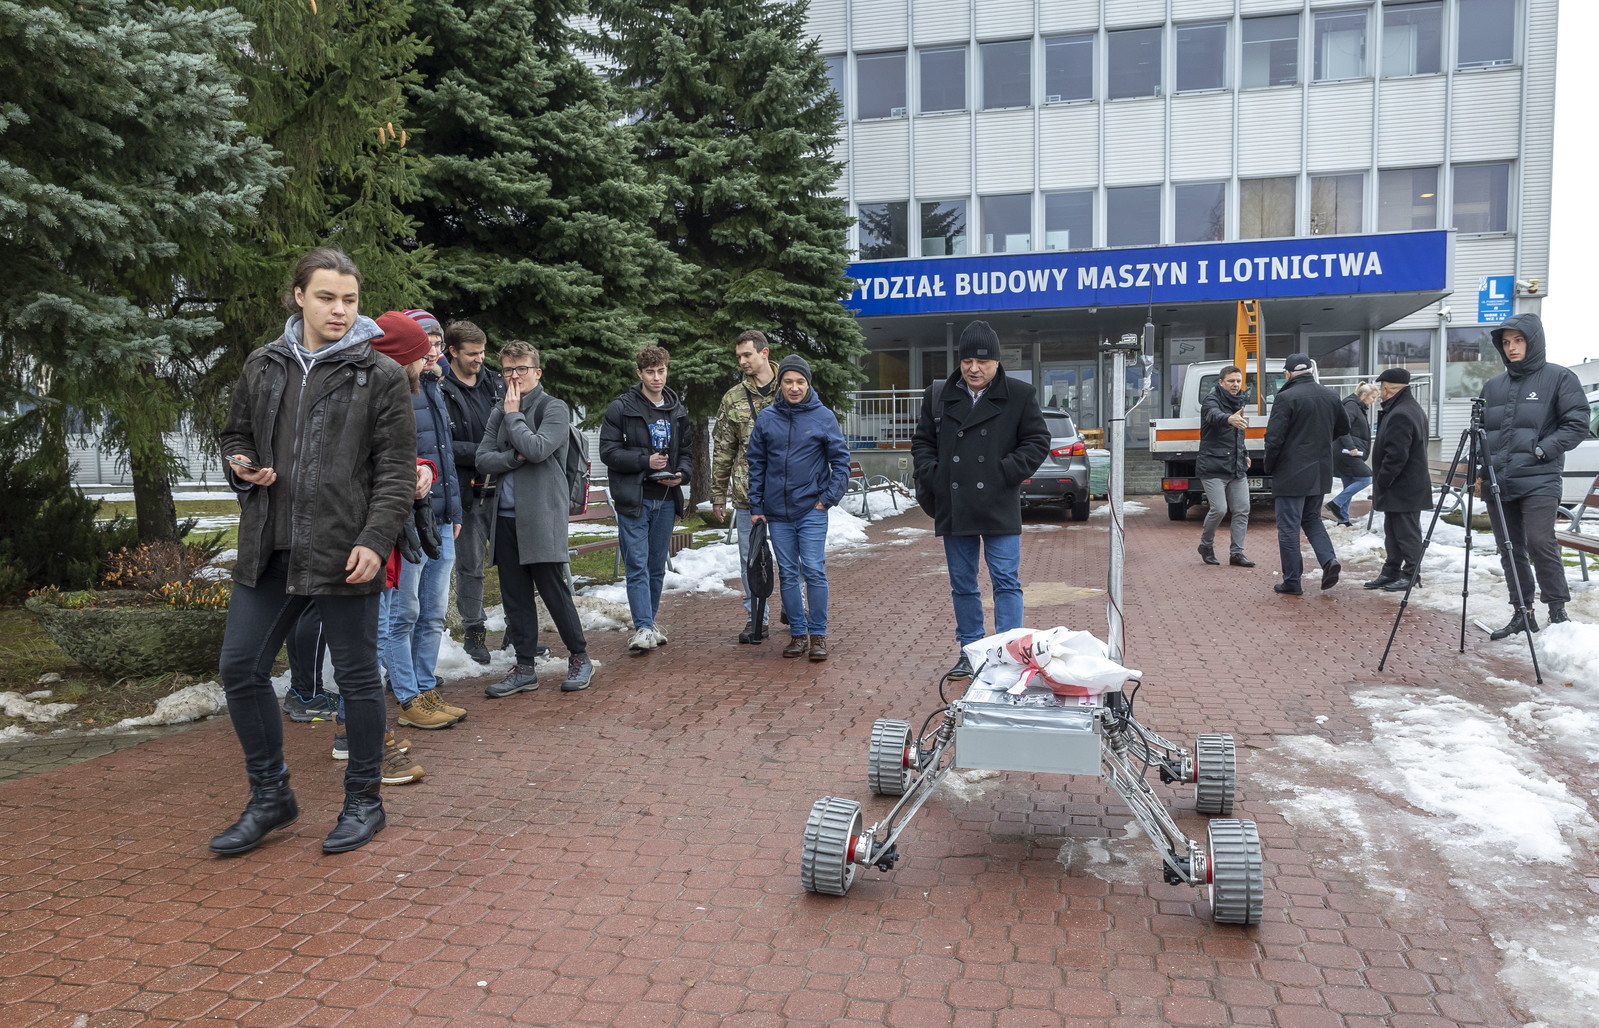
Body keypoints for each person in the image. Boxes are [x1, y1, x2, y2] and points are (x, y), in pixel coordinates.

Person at [211, 247, 416, 856]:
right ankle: (270, 796)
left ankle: (364, 801)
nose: (339, 310)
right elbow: (236, 433)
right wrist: (242, 463)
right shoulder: (264, 363)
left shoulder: (379, 374)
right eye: (326, 297)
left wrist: (376, 540)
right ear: (298, 296)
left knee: (355, 678)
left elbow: (396, 470)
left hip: (343, 549)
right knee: (240, 668)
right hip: (270, 544)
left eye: (349, 300)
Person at [911, 320, 1050, 679]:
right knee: (963, 583)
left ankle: (1009, 652)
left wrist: (1004, 472)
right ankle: (971, 651)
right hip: (954, 502)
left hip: (998, 501)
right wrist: (935, 475)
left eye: (983, 362)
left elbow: (1037, 442)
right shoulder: (938, 394)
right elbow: (922, 442)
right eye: (967, 360)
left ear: (997, 362)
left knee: (1006, 580)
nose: (974, 368)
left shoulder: (1020, 394)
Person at [475, 340, 595, 695]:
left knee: (553, 591)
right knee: (515, 597)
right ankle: (525, 666)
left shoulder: (552, 407)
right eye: (507, 370)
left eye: (521, 369)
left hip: (541, 516)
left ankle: (580, 657)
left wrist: (514, 417)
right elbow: (483, 458)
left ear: (537, 372)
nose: (514, 376)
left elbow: (539, 448)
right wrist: (514, 458)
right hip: (504, 518)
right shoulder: (499, 410)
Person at [374, 311, 466, 731]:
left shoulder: (434, 387)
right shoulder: (395, 388)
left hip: (440, 517)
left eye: (437, 341)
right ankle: (407, 694)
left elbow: (445, 457)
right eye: (424, 341)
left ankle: (426, 689)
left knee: (433, 613)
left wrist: (455, 511)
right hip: (408, 519)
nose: (432, 349)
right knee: (404, 613)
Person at [1480, 313, 1590, 638]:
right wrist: (1482, 470)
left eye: (1518, 340)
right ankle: (1522, 612)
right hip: (1500, 481)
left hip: (1540, 479)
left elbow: (1577, 423)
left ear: (1534, 341)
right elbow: (1482, 432)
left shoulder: (1559, 377)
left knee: (1540, 541)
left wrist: (1541, 450)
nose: (1511, 348)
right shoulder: (1493, 386)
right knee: (1509, 547)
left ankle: (1557, 611)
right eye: (1506, 342)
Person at [747, 355, 850, 661]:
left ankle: (818, 636)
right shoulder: (767, 418)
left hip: (811, 509)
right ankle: (798, 635)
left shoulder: (823, 417)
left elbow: (841, 461)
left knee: (814, 570)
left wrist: (827, 499)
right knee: (789, 573)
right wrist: (757, 505)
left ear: (808, 383)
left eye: (800, 382)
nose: (794, 387)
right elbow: (756, 464)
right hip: (777, 513)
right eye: (788, 381)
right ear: (780, 384)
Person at [600, 345, 694, 652]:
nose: (657, 378)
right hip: (634, 499)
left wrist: (682, 474)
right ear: (639, 373)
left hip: (666, 498)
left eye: (661, 371)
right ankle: (642, 627)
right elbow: (608, 452)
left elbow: (686, 453)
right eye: (650, 372)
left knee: (656, 567)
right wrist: (645, 461)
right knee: (637, 565)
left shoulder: (677, 410)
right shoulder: (622, 407)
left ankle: (649, 625)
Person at [437, 319, 504, 664]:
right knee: (471, 568)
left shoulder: (496, 383)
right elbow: (442, 445)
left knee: (513, 565)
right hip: (467, 492)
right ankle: (475, 634)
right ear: (452, 351)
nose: (480, 359)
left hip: (504, 490)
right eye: (472, 353)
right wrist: (484, 454)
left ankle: (517, 631)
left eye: (482, 352)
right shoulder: (440, 388)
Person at [710, 329, 781, 643]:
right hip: (746, 494)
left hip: (786, 492)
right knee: (749, 560)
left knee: (793, 558)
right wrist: (717, 494)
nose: (742, 361)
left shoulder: (790, 387)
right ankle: (757, 620)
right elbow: (723, 449)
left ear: (764, 352)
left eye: (747, 355)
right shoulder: (733, 398)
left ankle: (795, 608)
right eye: (738, 356)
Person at [1263, 354, 1349, 596]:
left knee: (1288, 528)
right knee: (1312, 519)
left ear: (1288, 374)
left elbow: (1274, 439)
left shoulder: (1285, 397)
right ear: (1310, 371)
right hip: (1320, 470)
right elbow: (1344, 428)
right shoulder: (1330, 395)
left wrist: (1269, 466)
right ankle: (1329, 560)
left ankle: (1292, 581)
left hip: (1291, 472)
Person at [1363, 369, 1431, 592]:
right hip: (1403, 486)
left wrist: (1382, 481)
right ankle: (1391, 571)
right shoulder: (1407, 408)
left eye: (1381, 388)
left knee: (1407, 533)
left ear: (1386, 388)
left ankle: (1411, 574)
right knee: (1393, 532)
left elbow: (1396, 455)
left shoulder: (1401, 413)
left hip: (1402, 487)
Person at [1195, 364, 1255, 568]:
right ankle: (1206, 545)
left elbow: (1238, 435)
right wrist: (1229, 418)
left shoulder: (1240, 400)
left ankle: (1236, 553)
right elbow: (1213, 416)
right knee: (1219, 509)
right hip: (1213, 466)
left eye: (1238, 381)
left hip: (1236, 466)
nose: (1235, 384)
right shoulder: (1211, 400)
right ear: (1221, 382)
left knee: (1242, 509)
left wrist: (1244, 454)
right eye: (1231, 381)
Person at [1327, 383, 1374, 526]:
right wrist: (1351, 447)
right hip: (1346, 452)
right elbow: (1343, 428)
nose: (1374, 401)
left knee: (1349, 483)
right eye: (1373, 397)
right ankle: (1336, 503)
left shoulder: (1356, 407)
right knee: (1366, 478)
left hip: (1345, 451)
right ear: (1364, 395)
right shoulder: (1352, 406)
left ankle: (1343, 519)